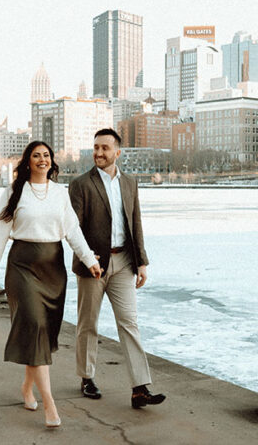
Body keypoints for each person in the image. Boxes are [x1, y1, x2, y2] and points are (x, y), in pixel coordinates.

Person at [0, 141, 103, 429]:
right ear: (27, 161)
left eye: (46, 155)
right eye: (36, 156)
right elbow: (0, 232)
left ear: (52, 161)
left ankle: (27, 387)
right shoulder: (13, 191)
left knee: (42, 335)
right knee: (34, 326)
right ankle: (49, 403)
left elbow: (72, 230)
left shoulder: (60, 193)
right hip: (22, 267)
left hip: (53, 268)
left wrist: (89, 260)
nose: (42, 160)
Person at [69, 128, 166, 409]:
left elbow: (135, 224)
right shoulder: (80, 185)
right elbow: (72, 229)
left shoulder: (130, 183)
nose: (99, 153)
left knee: (129, 323)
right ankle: (87, 378)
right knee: (88, 323)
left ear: (117, 153)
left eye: (105, 148)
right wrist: (88, 258)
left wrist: (142, 262)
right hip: (93, 265)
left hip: (124, 262)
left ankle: (140, 388)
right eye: (96, 147)